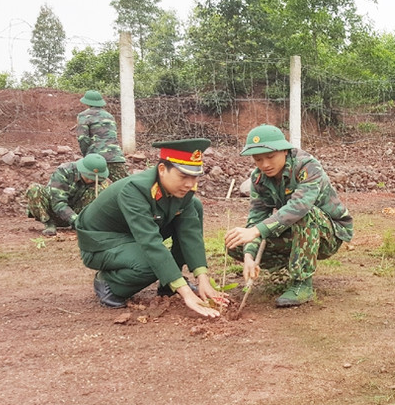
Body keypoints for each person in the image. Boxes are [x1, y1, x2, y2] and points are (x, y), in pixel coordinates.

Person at [75, 138, 225, 318]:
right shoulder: (135, 190)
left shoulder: (183, 189)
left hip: (132, 234)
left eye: (194, 176)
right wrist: (187, 295)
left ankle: (169, 284)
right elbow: (150, 242)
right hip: (102, 243)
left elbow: (189, 233)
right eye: (183, 176)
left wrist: (203, 278)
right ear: (162, 170)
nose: (190, 183)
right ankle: (108, 284)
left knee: (195, 206)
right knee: (151, 264)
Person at [224, 125, 353, 308]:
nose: (265, 164)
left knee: (303, 214)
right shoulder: (259, 178)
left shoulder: (307, 166)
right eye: (258, 159)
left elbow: (299, 207)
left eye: (270, 157)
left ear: (284, 150)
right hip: (295, 232)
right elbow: (257, 218)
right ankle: (292, 265)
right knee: (236, 243)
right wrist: (248, 256)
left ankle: (302, 282)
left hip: (329, 234)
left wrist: (256, 231)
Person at [25, 153, 110, 236]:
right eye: (88, 177)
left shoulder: (100, 180)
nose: (91, 181)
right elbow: (58, 203)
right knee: (34, 189)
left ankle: (84, 223)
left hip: (77, 213)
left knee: (99, 190)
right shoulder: (64, 172)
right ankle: (49, 224)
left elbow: (108, 202)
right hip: (54, 211)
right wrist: (76, 220)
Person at [77, 90, 129, 181]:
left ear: (87, 102)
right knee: (124, 184)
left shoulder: (83, 116)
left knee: (92, 185)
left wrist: (87, 156)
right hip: (115, 156)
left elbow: (83, 138)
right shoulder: (109, 116)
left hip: (96, 158)